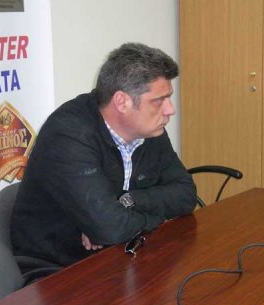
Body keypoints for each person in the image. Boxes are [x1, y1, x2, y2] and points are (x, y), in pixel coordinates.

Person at [11, 42, 197, 266]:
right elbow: (110, 229)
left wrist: (128, 201)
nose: (170, 110)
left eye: (168, 98)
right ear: (122, 102)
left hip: (120, 253)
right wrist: (143, 218)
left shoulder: (148, 129)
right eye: (159, 101)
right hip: (56, 267)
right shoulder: (68, 134)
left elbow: (186, 195)